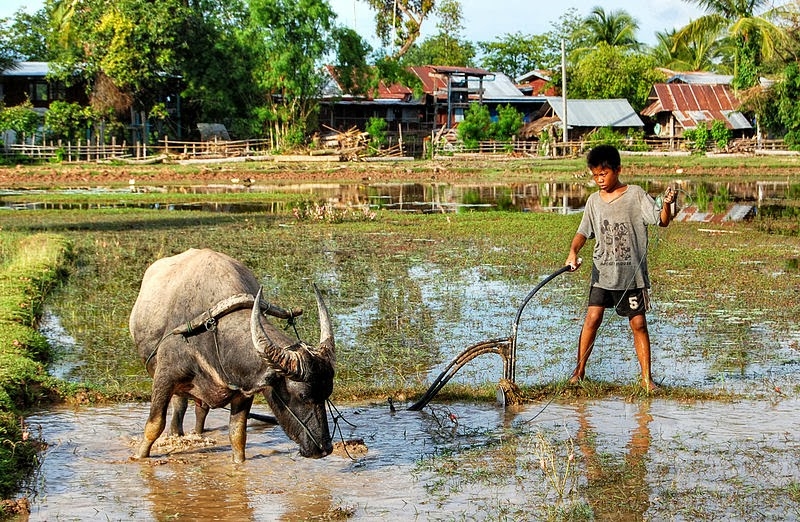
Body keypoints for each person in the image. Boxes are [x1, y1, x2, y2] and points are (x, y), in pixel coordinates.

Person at [565, 144, 675, 391]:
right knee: (592, 318)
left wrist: (668, 204)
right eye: (595, 175)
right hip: (602, 273)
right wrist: (573, 251)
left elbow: (663, 220)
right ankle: (579, 372)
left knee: (638, 324)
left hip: (631, 276)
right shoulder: (594, 201)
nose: (599, 180)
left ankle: (647, 380)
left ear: (617, 170)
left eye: (603, 174)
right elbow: (583, 232)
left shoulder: (635, 194)